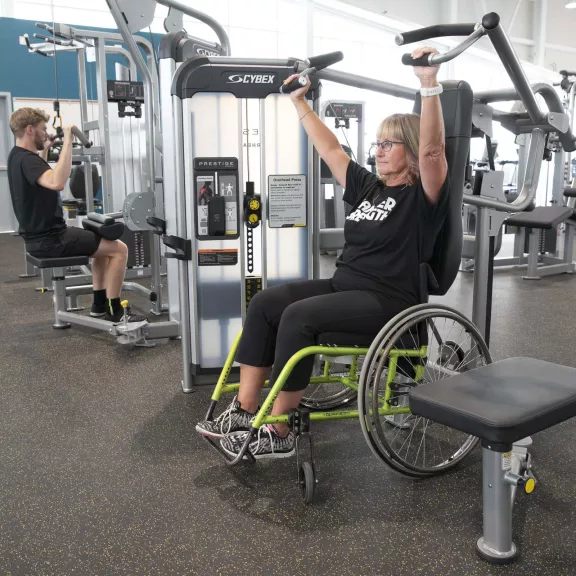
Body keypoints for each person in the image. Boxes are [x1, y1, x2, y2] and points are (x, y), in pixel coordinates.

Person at [196, 46, 450, 459]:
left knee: (298, 317)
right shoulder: (371, 188)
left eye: (390, 143)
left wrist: (428, 84)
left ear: (410, 149)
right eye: (378, 142)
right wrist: (299, 103)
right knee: (265, 302)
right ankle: (243, 411)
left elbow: (434, 152)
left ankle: (279, 431)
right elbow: (332, 150)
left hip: (388, 301)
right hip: (344, 285)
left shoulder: (423, 197)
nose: (380, 149)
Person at [7, 108, 145, 323]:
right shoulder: (27, 160)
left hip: (40, 239)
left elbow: (40, 176)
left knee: (103, 249)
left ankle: (99, 304)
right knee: (120, 250)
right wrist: (69, 141)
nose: (46, 133)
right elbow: (57, 182)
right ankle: (114, 310)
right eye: (43, 129)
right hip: (52, 240)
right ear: (30, 129)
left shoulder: (17, 157)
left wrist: (46, 150)